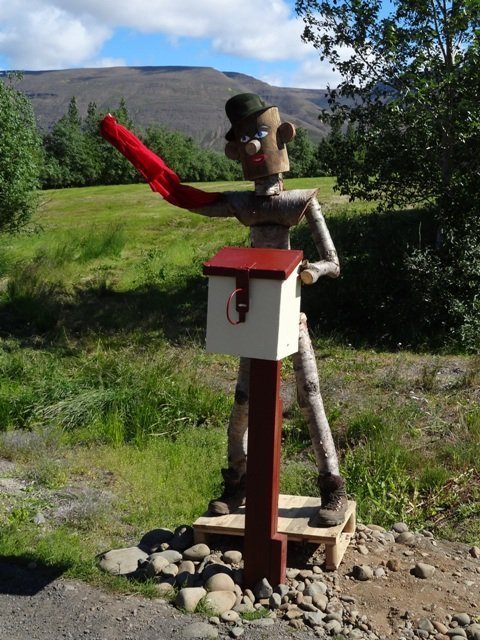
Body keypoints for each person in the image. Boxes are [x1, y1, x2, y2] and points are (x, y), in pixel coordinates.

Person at [100, 93, 348, 526]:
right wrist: (125, 143)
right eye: (245, 140)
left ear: (282, 137)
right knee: (243, 402)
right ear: (236, 151)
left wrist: (311, 271)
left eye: (259, 135)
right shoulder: (240, 203)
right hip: (255, 317)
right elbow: (184, 197)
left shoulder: (303, 201)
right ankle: (237, 481)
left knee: (309, 396)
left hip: (291, 318)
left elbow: (333, 261)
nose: (253, 146)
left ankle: (332, 486)